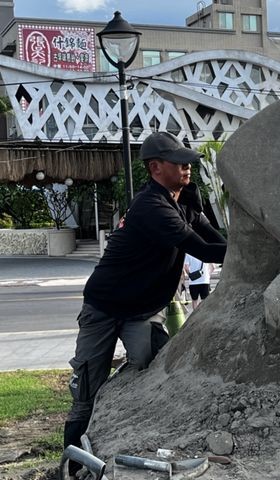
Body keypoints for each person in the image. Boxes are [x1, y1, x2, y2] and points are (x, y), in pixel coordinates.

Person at [63, 132, 227, 476]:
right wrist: (252, 251)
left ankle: (129, 434)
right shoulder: (151, 207)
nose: (187, 167)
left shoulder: (184, 202)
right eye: (178, 162)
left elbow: (218, 240)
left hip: (142, 311)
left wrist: (246, 244)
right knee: (86, 391)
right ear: (155, 168)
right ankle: (73, 468)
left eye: (187, 161)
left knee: (154, 366)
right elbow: (203, 250)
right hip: (104, 308)